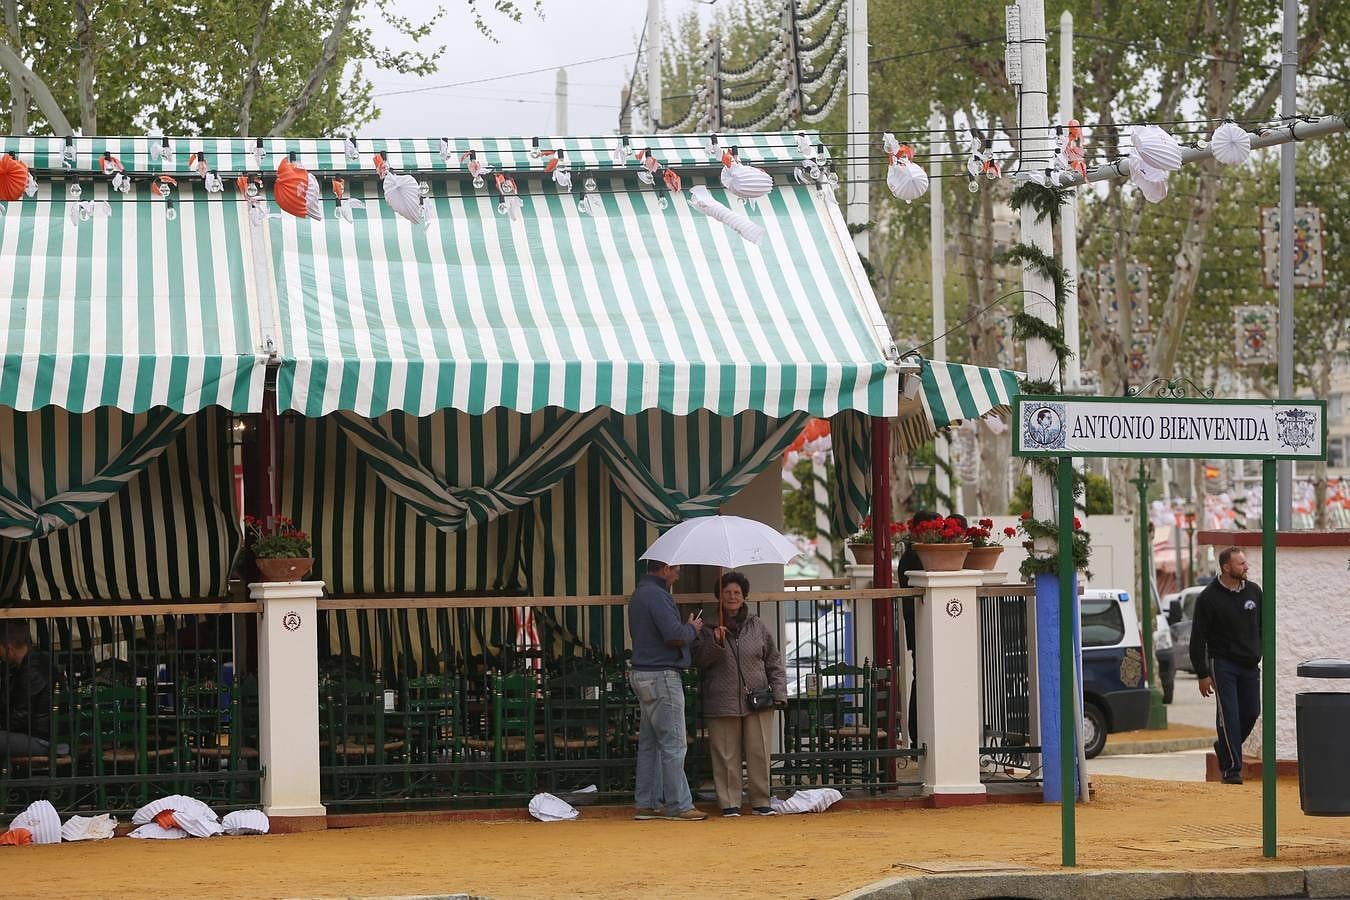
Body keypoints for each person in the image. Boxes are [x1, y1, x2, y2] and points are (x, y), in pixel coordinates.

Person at [693, 572, 787, 817]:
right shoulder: (708, 627)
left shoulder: (757, 625)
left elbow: (773, 661)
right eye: (727, 593)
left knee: (759, 752)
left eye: (736, 593)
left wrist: (779, 692)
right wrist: (715, 642)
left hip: (758, 701)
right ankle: (729, 803)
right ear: (719, 597)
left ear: (744, 596)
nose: (732, 597)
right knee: (726, 755)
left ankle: (761, 801)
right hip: (721, 701)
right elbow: (699, 661)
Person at [627, 558, 707, 821]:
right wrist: (692, 628)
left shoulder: (639, 594)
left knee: (651, 742)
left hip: (642, 673)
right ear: (665, 569)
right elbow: (673, 635)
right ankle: (679, 805)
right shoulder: (658, 596)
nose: (678, 575)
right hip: (662, 674)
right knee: (674, 743)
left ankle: (647, 803)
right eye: (676, 570)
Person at [1189, 546, 1262, 784]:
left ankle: (1225, 748)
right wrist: (1203, 673)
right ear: (1226, 567)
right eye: (1241, 564)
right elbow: (1197, 639)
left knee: (1251, 712)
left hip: (1250, 665)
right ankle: (1232, 770)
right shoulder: (1208, 598)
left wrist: (1260, 652)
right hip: (1223, 665)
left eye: (1245, 562)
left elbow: (1263, 626)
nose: (1246, 567)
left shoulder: (1254, 592)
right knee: (1229, 716)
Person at [896, 510, 941, 746]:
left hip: (926, 628)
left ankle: (921, 737)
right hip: (919, 628)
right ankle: (917, 736)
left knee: (923, 678)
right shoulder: (913, 557)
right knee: (922, 679)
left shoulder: (919, 554)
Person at [0, 620, 53, 761]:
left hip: (40, 739)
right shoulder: (36, 662)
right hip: (38, 734)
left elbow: (22, 716)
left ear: (8, 647)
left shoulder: (32, 671)